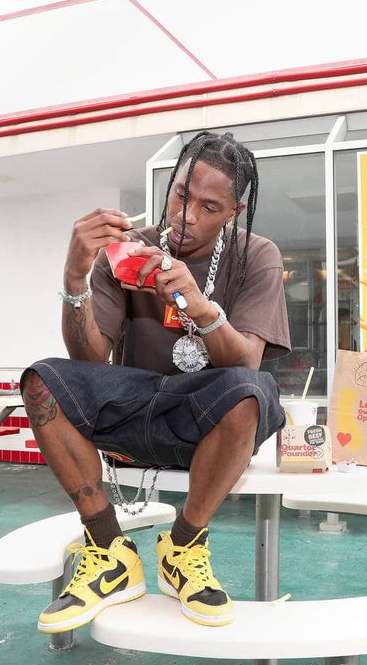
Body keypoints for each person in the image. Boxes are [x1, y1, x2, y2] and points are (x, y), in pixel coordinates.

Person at [21, 131, 291, 631]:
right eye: (182, 195)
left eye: (209, 207)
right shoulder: (127, 249)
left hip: (207, 419)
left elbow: (247, 363)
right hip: (134, 406)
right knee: (43, 380)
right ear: (171, 185)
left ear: (234, 212)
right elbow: (88, 358)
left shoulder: (257, 255)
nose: (187, 215)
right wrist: (75, 278)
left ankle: (183, 545)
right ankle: (108, 549)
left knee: (251, 393)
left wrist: (199, 305)